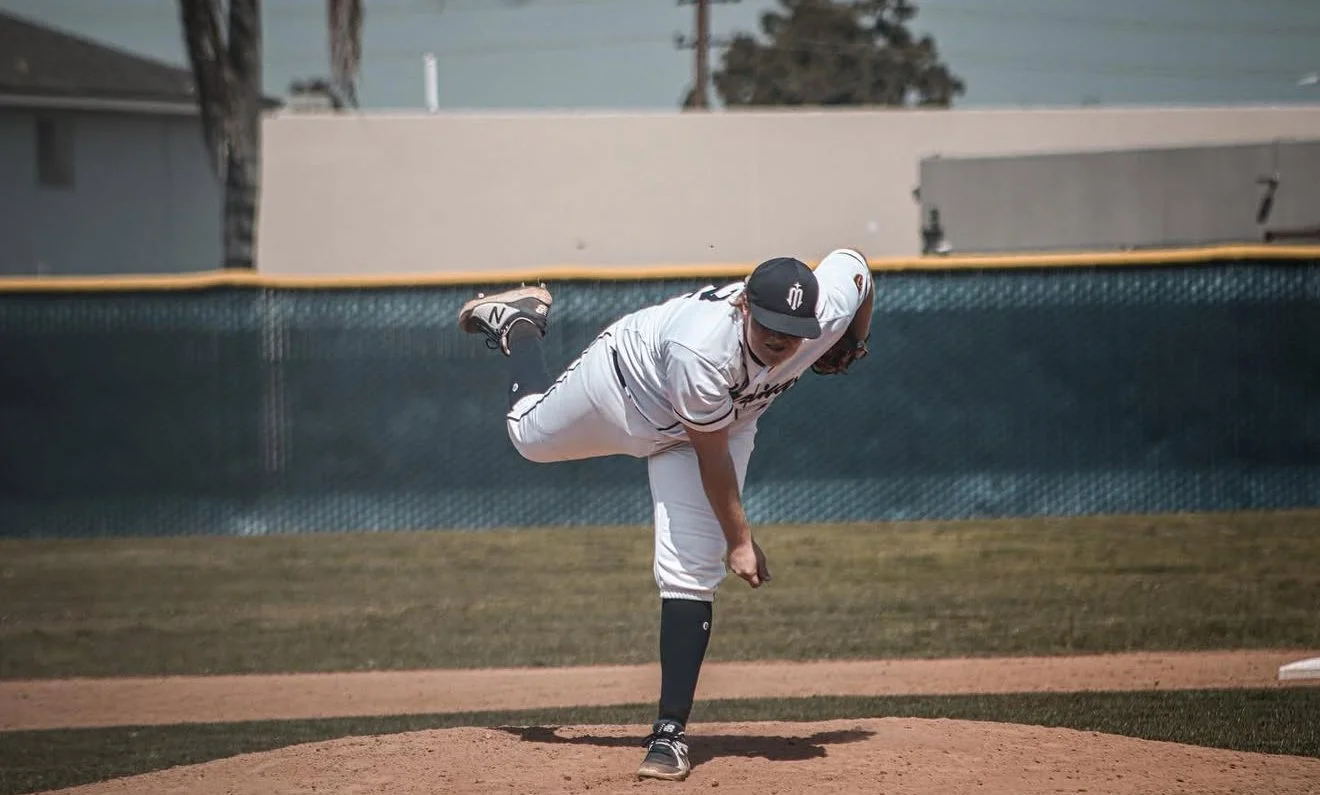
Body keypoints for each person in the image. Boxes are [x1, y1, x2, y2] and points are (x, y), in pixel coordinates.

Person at [456, 249, 874, 781]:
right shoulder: (701, 349)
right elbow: (712, 457)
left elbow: (856, 265)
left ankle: (669, 734)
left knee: (692, 571)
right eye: (771, 327)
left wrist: (855, 340)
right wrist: (740, 541)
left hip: (721, 423)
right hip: (626, 391)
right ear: (744, 306)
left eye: (795, 331)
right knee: (527, 436)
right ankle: (519, 323)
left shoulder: (824, 311)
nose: (784, 342)